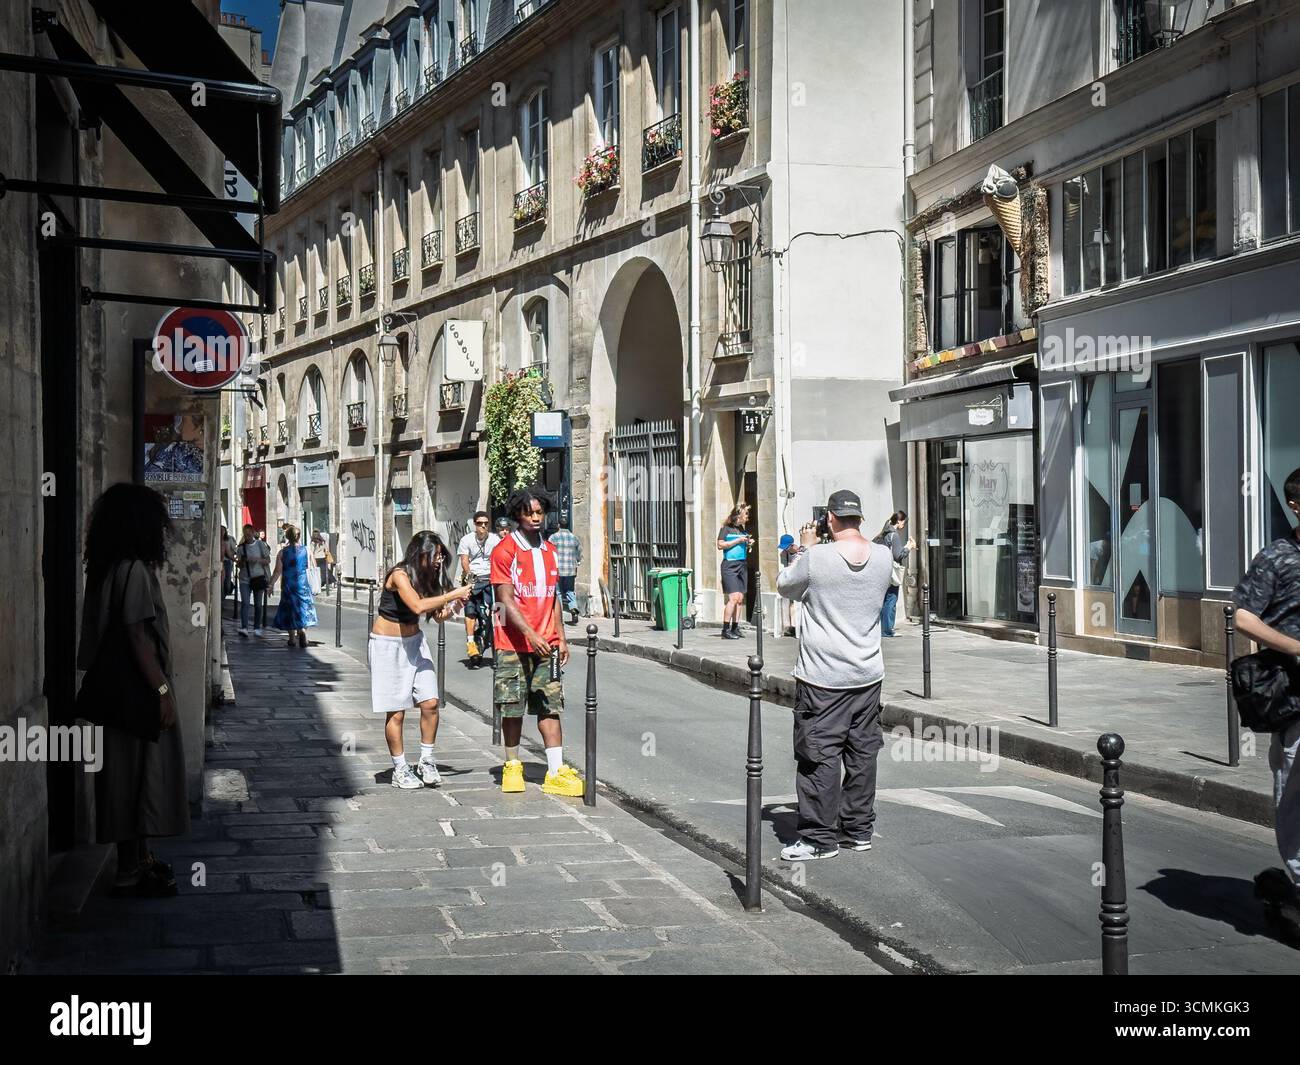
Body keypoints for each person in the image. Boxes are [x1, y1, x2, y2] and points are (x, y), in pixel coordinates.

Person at [77, 483, 188, 897]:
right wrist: (161, 690)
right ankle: (129, 871)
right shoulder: (134, 571)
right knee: (137, 777)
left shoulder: (105, 566)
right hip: (135, 693)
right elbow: (138, 636)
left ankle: (138, 861)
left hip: (115, 695)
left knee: (123, 778)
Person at [775, 489, 892, 861]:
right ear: (860, 518)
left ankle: (818, 839)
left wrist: (803, 550)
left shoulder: (817, 558)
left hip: (823, 678)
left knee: (819, 757)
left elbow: (785, 586)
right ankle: (857, 831)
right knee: (862, 755)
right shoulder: (884, 556)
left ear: (829, 518)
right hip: (868, 674)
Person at [1234, 466, 1300, 928]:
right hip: (1295, 696)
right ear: (1296, 504)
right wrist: (1296, 647)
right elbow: (1242, 616)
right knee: (1294, 795)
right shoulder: (1277, 557)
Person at [490, 486, 584, 796]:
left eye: (539, 512)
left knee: (550, 705)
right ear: (517, 513)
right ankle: (512, 766)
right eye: (529, 512)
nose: (534, 517)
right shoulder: (504, 550)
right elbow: (504, 600)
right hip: (511, 645)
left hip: (548, 645)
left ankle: (555, 771)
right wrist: (530, 634)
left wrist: (562, 638)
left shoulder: (551, 551)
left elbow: (553, 598)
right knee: (512, 707)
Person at [370, 532, 473, 789]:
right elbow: (416, 607)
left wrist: (457, 605)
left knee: (430, 702)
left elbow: (438, 616)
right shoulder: (399, 575)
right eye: (435, 555)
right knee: (396, 712)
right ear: (420, 553)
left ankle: (426, 761)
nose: (439, 560)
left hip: (415, 644)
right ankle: (400, 768)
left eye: (441, 555)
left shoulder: (429, 578)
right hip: (388, 647)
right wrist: (453, 593)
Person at [458, 510, 501, 666]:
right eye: (479, 523)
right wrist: (470, 579)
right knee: (470, 611)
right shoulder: (466, 540)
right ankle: (471, 643)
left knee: (500, 610)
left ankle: (501, 645)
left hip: (491, 578)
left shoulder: (495, 539)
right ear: (474, 525)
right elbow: (464, 561)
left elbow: (501, 557)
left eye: (485, 523)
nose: (483, 526)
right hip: (474, 577)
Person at [269, 525, 318, 648]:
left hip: (288, 585)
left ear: (287, 537)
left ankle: (291, 638)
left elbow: (277, 571)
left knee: (289, 609)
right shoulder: (307, 550)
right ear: (299, 536)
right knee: (303, 608)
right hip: (303, 584)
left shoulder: (282, 552)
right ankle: (302, 631)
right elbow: (313, 566)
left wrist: (270, 584)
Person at [873, 510, 915, 637]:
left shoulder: (881, 534)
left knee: (883, 600)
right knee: (891, 600)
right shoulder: (893, 535)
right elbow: (898, 555)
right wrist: (909, 547)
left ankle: (881, 629)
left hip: (879, 571)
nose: (904, 526)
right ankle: (887, 630)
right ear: (899, 521)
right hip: (890, 572)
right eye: (904, 523)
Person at [717, 502, 754, 639]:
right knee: (733, 598)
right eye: (746, 514)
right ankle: (725, 630)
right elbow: (720, 545)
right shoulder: (726, 529)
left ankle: (735, 627)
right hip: (730, 566)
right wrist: (738, 541)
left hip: (742, 564)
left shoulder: (742, 529)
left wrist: (748, 543)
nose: (748, 517)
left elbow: (742, 544)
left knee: (740, 598)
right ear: (738, 515)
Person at [236, 523, 272, 636]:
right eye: (245, 535)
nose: (247, 537)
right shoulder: (241, 548)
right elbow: (239, 565)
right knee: (245, 602)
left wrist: (257, 559)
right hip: (245, 578)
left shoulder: (260, 544)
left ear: (253, 533)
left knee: (258, 604)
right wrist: (242, 561)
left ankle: (257, 628)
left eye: (249, 534)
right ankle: (244, 627)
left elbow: (268, 560)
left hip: (258, 577)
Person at [548, 514, 583, 625]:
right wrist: (577, 562)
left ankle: (560, 617)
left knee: (558, 593)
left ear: (558, 525)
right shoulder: (574, 538)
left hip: (557, 570)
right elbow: (579, 553)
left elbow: (548, 552)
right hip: (570, 570)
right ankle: (573, 609)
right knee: (569, 591)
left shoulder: (553, 537)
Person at [310, 530, 330, 594]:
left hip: (316, 559)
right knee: (324, 572)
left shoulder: (313, 543)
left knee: (318, 574)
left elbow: (311, 553)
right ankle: (323, 583)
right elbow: (326, 549)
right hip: (323, 558)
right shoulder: (322, 541)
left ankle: (319, 585)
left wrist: (311, 562)